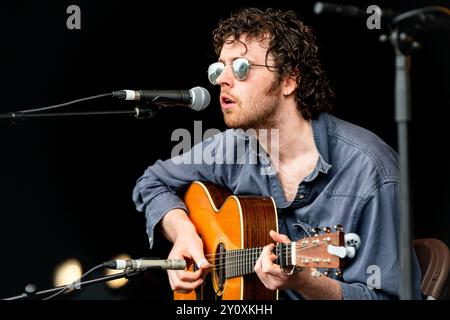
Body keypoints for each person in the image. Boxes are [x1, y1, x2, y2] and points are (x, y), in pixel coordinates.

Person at [132, 7, 422, 299]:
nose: (223, 80)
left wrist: (307, 283)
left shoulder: (370, 171)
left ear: (289, 81)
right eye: (219, 69)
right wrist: (183, 233)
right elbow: (152, 182)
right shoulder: (231, 147)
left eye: (242, 67)